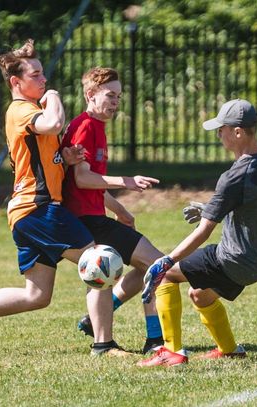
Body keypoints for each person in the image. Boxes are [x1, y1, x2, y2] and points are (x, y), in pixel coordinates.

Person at [0, 39, 101, 357]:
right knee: (99, 261)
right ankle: (104, 343)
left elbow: (41, 161)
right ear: (16, 82)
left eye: (43, 74)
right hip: (39, 209)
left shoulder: (30, 112)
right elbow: (54, 123)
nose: (44, 80)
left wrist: (64, 159)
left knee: (36, 296)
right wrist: (54, 96)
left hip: (28, 213)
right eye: (36, 75)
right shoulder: (22, 110)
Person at [137, 99, 257, 367]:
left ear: (237, 132)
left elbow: (204, 232)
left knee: (167, 275)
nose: (218, 135)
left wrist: (166, 260)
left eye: (221, 129)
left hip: (236, 259)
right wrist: (211, 209)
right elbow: (255, 205)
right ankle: (230, 350)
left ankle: (171, 352)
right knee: (200, 294)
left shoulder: (234, 176)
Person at [60, 67, 167, 356]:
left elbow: (94, 186)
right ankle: (155, 340)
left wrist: (122, 212)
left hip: (94, 217)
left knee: (147, 267)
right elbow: (82, 179)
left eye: (119, 96)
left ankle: (99, 325)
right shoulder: (85, 126)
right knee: (159, 265)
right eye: (110, 95)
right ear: (90, 95)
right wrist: (126, 181)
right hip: (87, 221)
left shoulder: (95, 126)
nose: (116, 102)